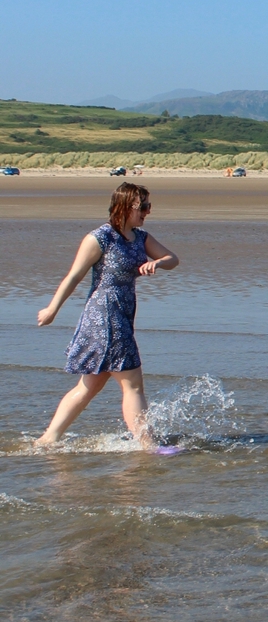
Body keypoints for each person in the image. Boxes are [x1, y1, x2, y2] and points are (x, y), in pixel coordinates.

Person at [34, 182, 179, 448]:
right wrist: (52, 309)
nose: (147, 212)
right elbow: (74, 276)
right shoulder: (100, 238)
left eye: (148, 206)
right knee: (133, 384)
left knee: (89, 386)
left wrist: (156, 262)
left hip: (122, 314)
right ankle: (148, 445)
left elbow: (173, 258)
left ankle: (47, 439)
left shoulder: (140, 237)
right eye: (143, 206)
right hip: (104, 316)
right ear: (126, 206)